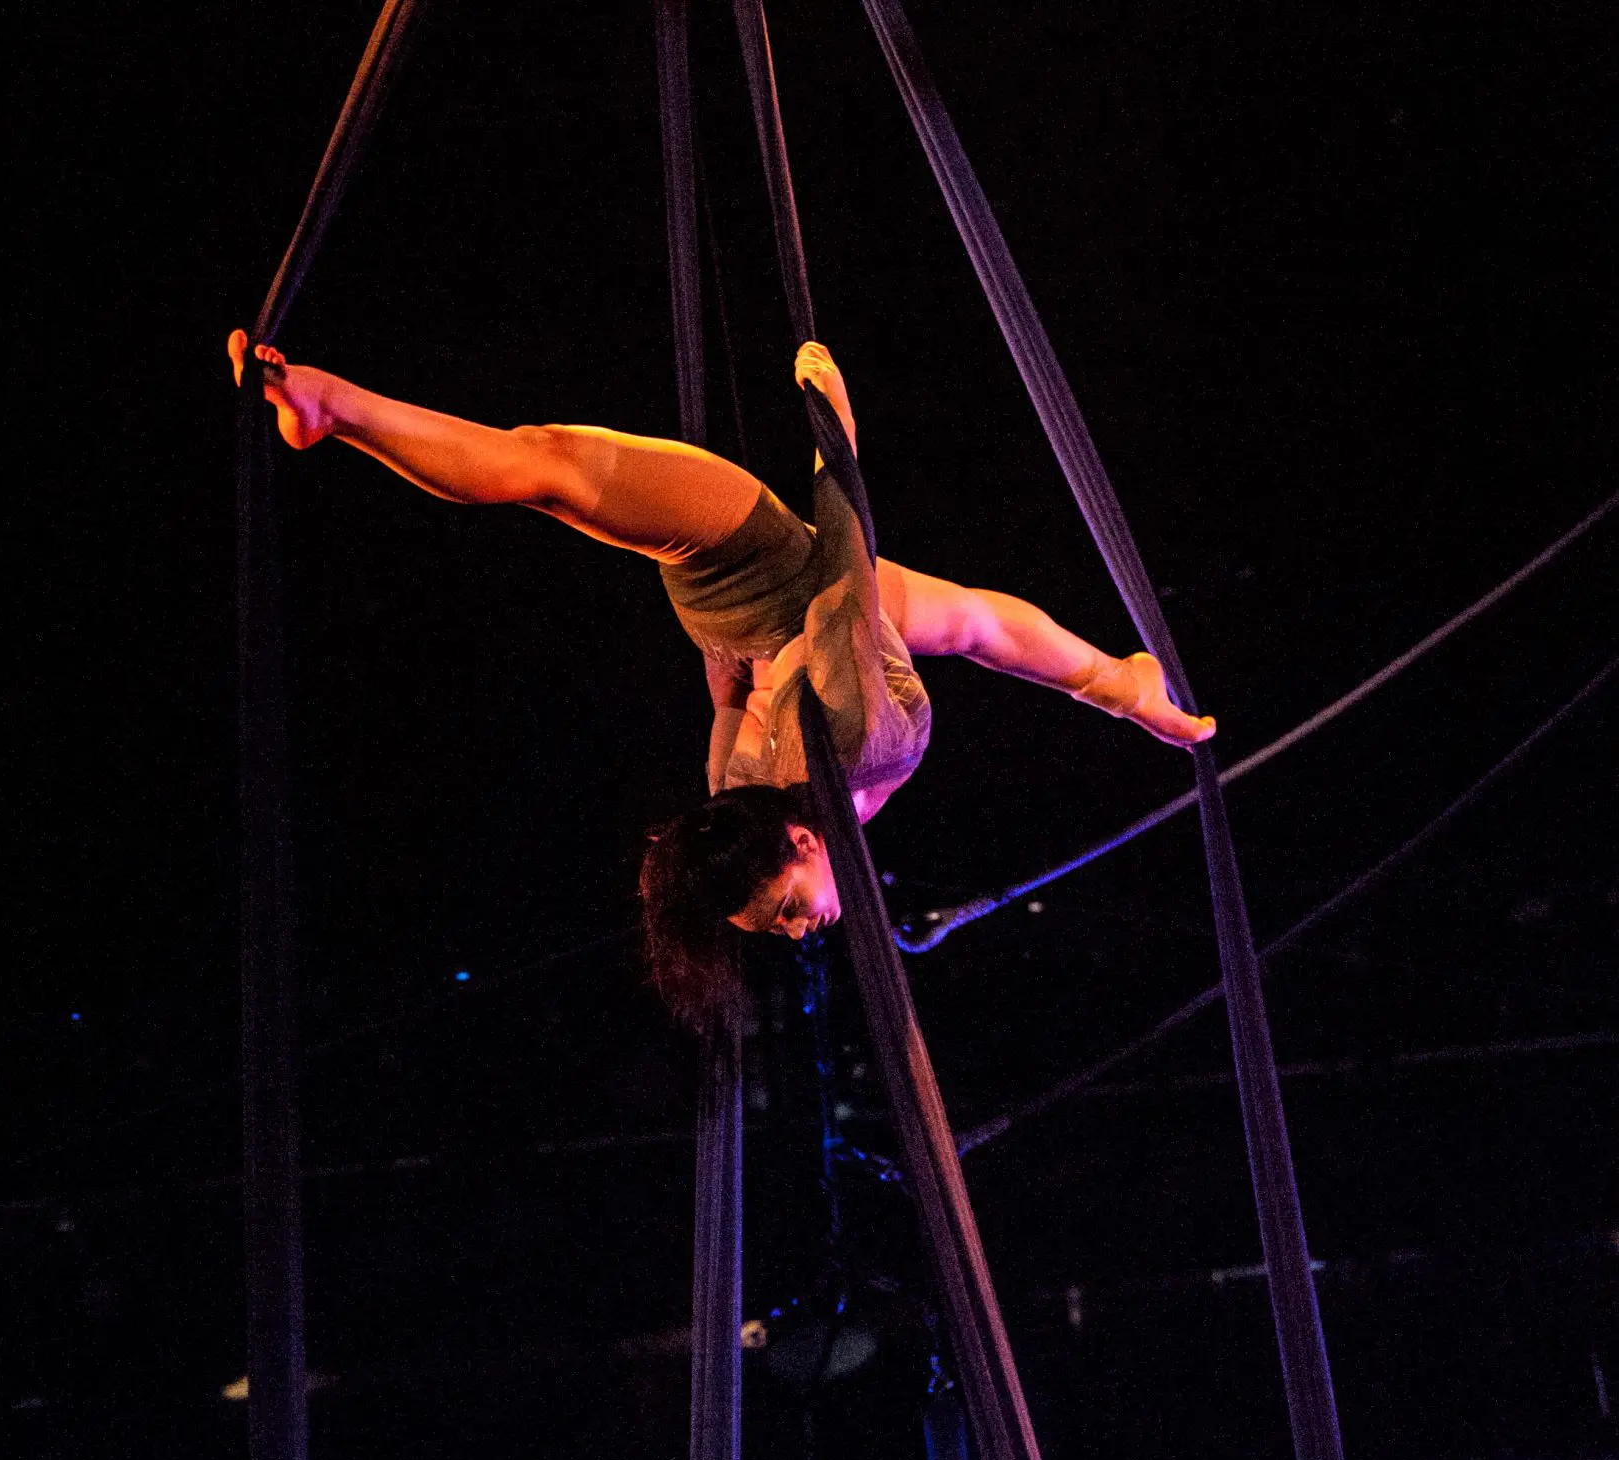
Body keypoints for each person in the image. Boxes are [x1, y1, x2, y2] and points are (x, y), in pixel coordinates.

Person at [228, 330, 1214, 1020]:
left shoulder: (760, 798)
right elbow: (843, 584)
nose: (797, 932)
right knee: (958, 620)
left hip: (747, 581)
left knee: (552, 471)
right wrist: (835, 442)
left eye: (777, 920)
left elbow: (734, 688)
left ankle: (333, 410)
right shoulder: (855, 749)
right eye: (787, 913)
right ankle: (331, 409)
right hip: (785, 583)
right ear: (799, 840)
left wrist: (747, 652)